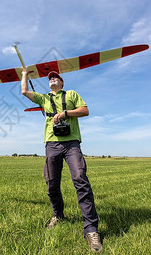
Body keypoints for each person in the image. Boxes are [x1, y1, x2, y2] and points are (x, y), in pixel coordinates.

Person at [21, 69, 102, 253]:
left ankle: (91, 229)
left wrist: (65, 113)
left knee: (81, 179)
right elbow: (25, 92)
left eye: (56, 77)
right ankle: (58, 215)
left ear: (62, 82)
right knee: (51, 182)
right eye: (50, 78)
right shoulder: (43, 98)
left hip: (72, 143)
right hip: (51, 144)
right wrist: (25, 74)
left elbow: (85, 110)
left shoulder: (72, 94)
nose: (52, 79)